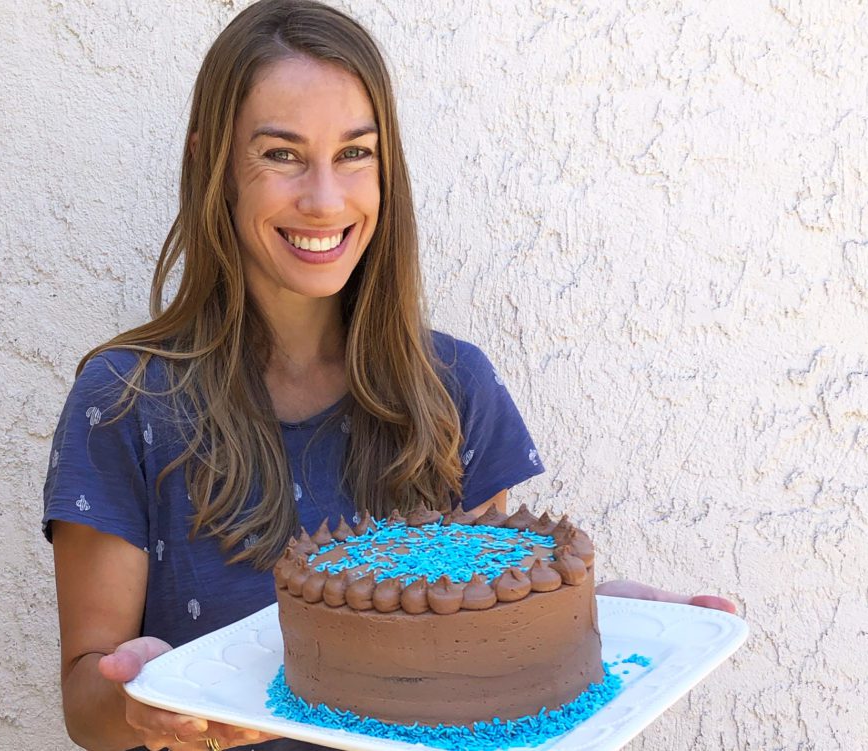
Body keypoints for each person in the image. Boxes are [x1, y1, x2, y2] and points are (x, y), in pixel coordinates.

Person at [42, 2, 736, 750]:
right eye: (281, 155)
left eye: (354, 153)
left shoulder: (453, 386)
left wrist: (584, 624)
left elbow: (481, 621)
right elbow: (87, 703)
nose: (324, 198)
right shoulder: (127, 401)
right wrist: (138, 696)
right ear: (211, 163)